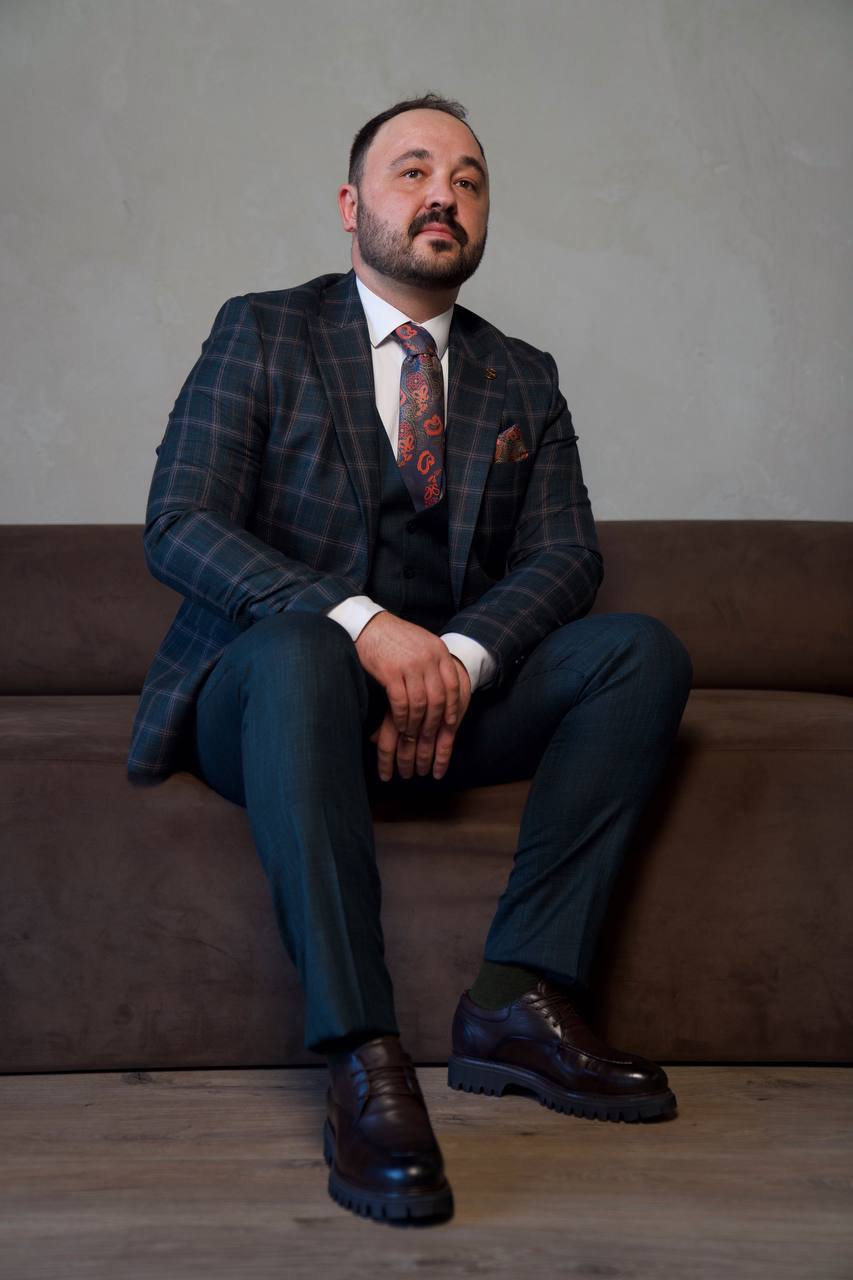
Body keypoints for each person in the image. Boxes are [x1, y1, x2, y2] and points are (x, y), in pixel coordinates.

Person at [127, 92, 693, 1225]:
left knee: (639, 653)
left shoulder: (521, 374)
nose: (445, 195)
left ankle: (515, 1002)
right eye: (415, 171)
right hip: (275, 697)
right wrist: (365, 627)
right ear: (352, 206)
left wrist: (462, 657)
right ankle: (361, 1055)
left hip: (447, 710)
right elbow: (180, 522)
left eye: (469, 181)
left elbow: (566, 556)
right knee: (300, 651)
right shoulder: (261, 330)